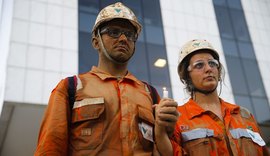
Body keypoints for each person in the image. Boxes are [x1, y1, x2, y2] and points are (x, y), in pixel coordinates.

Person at [35, 2, 179, 156]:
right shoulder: (70, 87)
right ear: (96, 42)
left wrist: (165, 131)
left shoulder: (150, 94)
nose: (123, 38)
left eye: (130, 34)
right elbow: (50, 148)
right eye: (114, 32)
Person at [156, 39, 269, 155]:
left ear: (218, 71)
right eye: (199, 65)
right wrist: (159, 130)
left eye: (212, 63)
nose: (209, 69)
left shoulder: (244, 115)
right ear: (187, 76)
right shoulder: (178, 118)